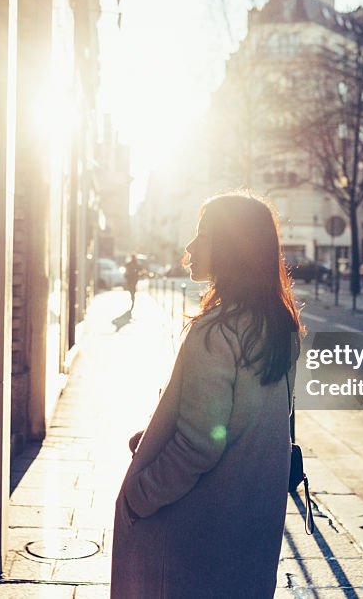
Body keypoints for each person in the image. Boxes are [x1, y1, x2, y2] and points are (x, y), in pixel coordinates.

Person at [111, 192, 303, 598]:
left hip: (200, 533)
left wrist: (138, 496)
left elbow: (199, 445)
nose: (190, 247)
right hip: (251, 527)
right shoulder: (279, 325)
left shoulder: (217, 331)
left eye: (203, 235)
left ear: (232, 248)